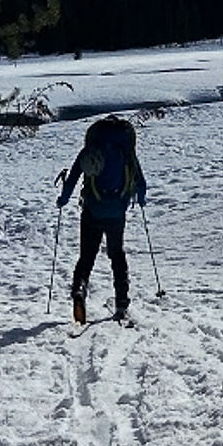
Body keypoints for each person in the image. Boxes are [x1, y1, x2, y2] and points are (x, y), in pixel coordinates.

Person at [57, 115, 147, 323]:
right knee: (117, 255)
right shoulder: (126, 152)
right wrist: (141, 200)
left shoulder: (90, 150)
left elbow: (72, 180)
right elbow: (141, 183)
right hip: (116, 212)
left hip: (92, 209)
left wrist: (63, 200)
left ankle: (79, 290)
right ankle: (122, 303)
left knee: (86, 257)